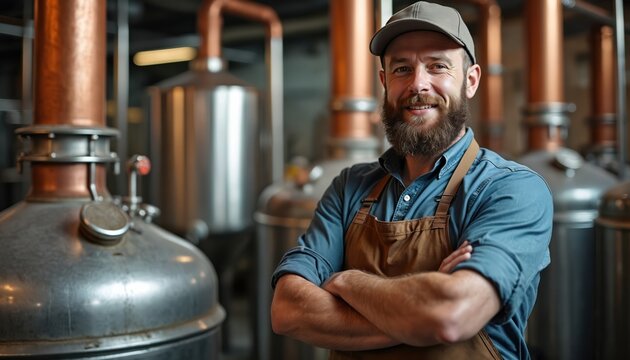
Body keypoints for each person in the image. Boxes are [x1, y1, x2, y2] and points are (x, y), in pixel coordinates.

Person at [270, 1, 553, 359]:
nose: (418, 84)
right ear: (384, 82)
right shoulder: (349, 187)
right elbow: (287, 310)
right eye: (402, 69)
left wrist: (346, 281)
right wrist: (420, 306)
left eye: (438, 66)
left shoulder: (511, 190)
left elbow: (449, 316)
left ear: (470, 80)